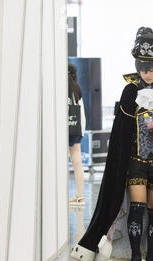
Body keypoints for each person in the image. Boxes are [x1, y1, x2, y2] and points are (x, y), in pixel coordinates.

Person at [71, 27, 153, 261]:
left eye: (151, 68)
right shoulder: (130, 91)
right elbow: (120, 133)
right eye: (142, 68)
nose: (147, 73)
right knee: (136, 208)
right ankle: (135, 260)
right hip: (134, 161)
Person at [68, 62, 86, 206]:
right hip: (76, 128)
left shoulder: (60, 88)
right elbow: (82, 111)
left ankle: (59, 194)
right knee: (77, 162)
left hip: (63, 129)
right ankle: (80, 196)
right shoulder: (77, 88)